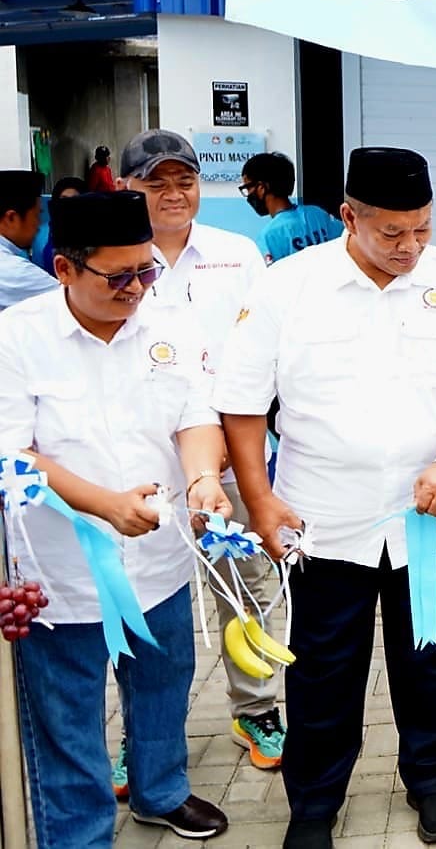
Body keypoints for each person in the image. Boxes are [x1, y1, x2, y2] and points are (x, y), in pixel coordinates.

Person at [214, 148, 436, 849]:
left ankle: (432, 779)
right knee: (323, 669)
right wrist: (259, 501)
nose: (410, 247)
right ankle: (315, 801)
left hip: (431, 521)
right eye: (392, 232)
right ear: (349, 216)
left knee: (431, 659)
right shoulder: (289, 286)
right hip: (322, 521)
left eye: (422, 229)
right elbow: (242, 402)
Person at [0, 191, 231, 847]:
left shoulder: (171, 324)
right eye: (118, 276)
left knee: (162, 683)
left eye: (146, 270)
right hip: (60, 570)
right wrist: (103, 504)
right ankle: (78, 834)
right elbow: (11, 452)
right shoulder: (17, 337)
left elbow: (195, 416)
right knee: (67, 715)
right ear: (65, 268)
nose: (136, 288)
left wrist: (203, 479)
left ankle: (161, 791)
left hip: (158, 557)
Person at [120, 129, 282, 775]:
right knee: (142, 595)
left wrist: (246, 447)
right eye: (155, 183)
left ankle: (257, 708)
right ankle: (142, 732)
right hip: (140, 459)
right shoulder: (115, 255)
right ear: (127, 187)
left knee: (247, 581)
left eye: (184, 181)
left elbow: (267, 350)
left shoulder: (236, 254)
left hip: (234, 452)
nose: (173, 194)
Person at [240, 152, 341, 264]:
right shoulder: (318, 214)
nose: (248, 194)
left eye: (247, 188)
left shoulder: (268, 237)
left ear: (261, 188)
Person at [0, 169, 55, 310]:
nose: (38, 224)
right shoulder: (15, 272)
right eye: (36, 216)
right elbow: (77, 302)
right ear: (11, 218)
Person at [39, 176, 86, 274]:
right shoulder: (42, 233)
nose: (68, 205)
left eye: (75, 200)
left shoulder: (95, 234)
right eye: (63, 199)